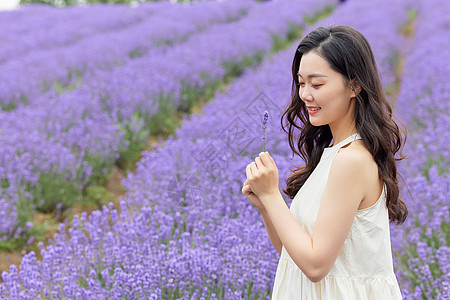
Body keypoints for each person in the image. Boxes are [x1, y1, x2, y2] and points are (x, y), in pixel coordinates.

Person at [242, 25, 407, 299]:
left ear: (354, 86)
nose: (305, 94)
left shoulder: (351, 160)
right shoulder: (332, 153)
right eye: (301, 82)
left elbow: (316, 265)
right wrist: (266, 207)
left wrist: (272, 195)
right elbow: (292, 253)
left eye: (317, 84)